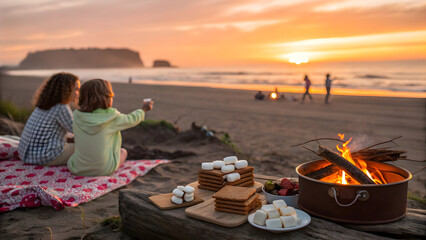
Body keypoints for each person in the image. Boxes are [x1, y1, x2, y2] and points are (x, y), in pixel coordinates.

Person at [67, 79, 153, 176]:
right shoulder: (112, 118)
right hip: (104, 170)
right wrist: (143, 110)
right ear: (107, 99)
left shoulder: (77, 116)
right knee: (123, 151)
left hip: (77, 168)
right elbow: (132, 119)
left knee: (76, 154)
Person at [18, 72, 80, 166]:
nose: (77, 93)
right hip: (45, 157)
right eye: (76, 89)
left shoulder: (42, 106)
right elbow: (79, 131)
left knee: (72, 140)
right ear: (66, 90)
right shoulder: (61, 108)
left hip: (25, 154)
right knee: (85, 147)